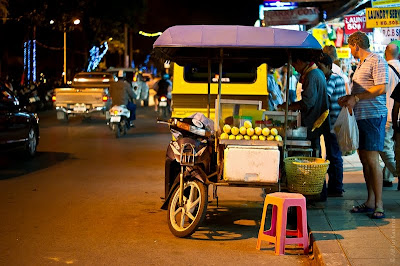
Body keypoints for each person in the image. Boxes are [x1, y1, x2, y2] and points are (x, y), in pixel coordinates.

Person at [338, 31, 389, 219]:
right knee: (364, 160)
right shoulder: (361, 64)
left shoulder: (377, 61)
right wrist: (349, 98)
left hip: (373, 116)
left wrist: (357, 97)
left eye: (350, 47)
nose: (350, 50)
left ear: (356, 45)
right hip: (361, 116)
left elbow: (382, 87)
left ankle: (379, 204)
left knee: (372, 160)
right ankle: (370, 201)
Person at [278, 50, 330, 159]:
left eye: (295, 65)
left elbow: (308, 102)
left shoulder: (312, 75)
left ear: (300, 61)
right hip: (316, 122)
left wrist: (289, 107)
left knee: (313, 154)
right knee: (316, 151)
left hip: (313, 122)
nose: (295, 69)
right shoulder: (316, 72)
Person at [317, 53, 347, 197]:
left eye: (320, 67)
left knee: (334, 155)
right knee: (333, 154)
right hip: (334, 123)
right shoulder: (335, 78)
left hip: (334, 124)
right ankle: (335, 186)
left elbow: (325, 97)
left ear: (328, 66)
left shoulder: (333, 79)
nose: (318, 69)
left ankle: (336, 187)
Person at [379, 44, 400, 188]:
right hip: (398, 117)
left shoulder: (385, 69)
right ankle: (387, 177)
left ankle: (397, 172)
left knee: (385, 147)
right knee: (395, 149)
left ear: (386, 53)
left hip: (388, 113)